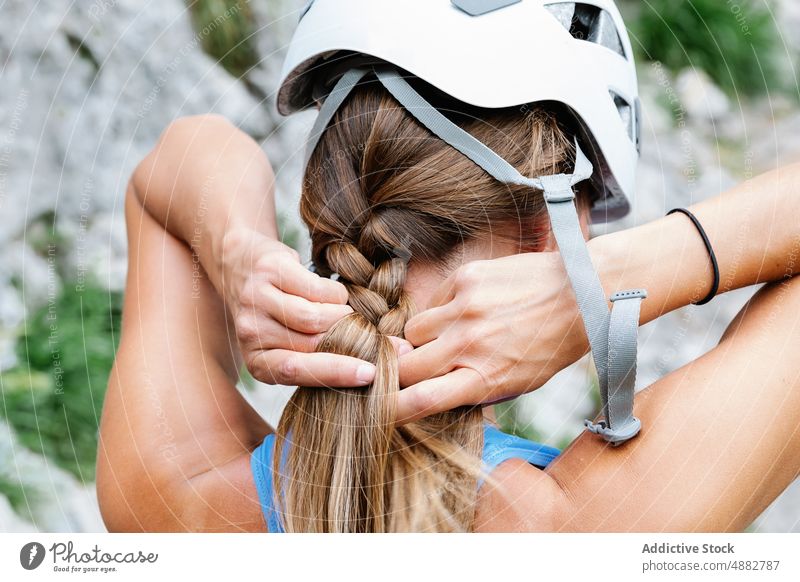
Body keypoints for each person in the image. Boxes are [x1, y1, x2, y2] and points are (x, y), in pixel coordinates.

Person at [97, 0, 800, 532]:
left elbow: (179, 161)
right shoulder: (590, 524)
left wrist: (238, 249)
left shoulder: (174, 495)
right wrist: (604, 283)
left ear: (330, 216)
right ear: (547, 235)